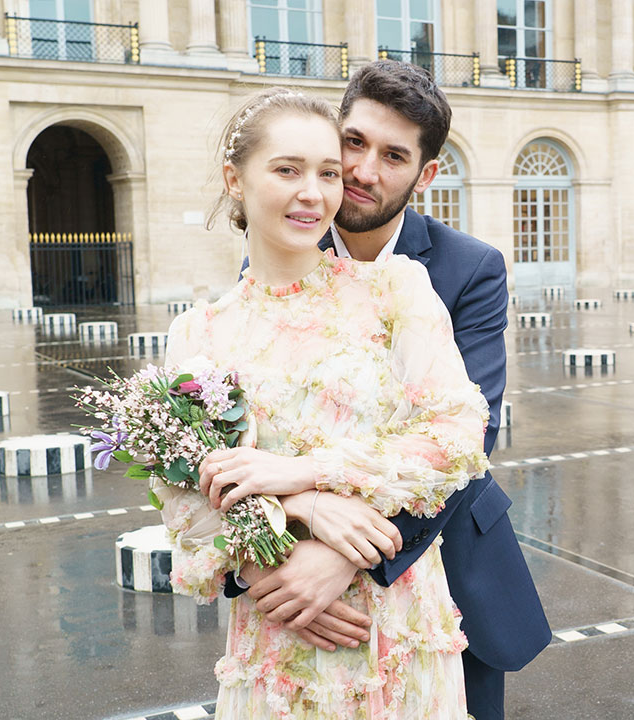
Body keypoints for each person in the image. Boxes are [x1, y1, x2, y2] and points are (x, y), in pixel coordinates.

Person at [228, 61, 551, 719]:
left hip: (442, 561)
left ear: (424, 174)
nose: (362, 171)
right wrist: (273, 551)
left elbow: (468, 437)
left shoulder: (469, 269)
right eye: (354, 142)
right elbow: (246, 439)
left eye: (394, 155)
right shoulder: (277, 252)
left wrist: (345, 559)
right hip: (296, 584)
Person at [165, 87, 490, 718]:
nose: (313, 193)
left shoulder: (396, 290)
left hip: (394, 625)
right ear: (235, 178)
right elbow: (184, 496)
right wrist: (283, 545)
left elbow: (456, 432)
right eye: (287, 170)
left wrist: (308, 473)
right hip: (277, 624)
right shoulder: (199, 333)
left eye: (329, 173)